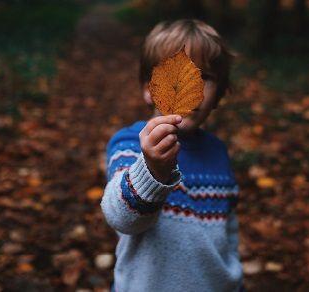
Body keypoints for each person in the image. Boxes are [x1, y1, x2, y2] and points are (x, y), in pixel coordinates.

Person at [101, 19, 242, 291]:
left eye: (206, 78)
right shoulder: (131, 144)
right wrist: (152, 169)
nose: (190, 87)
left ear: (220, 95)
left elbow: (229, 232)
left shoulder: (218, 153)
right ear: (148, 88)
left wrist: (234, 279)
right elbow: (120, 218)